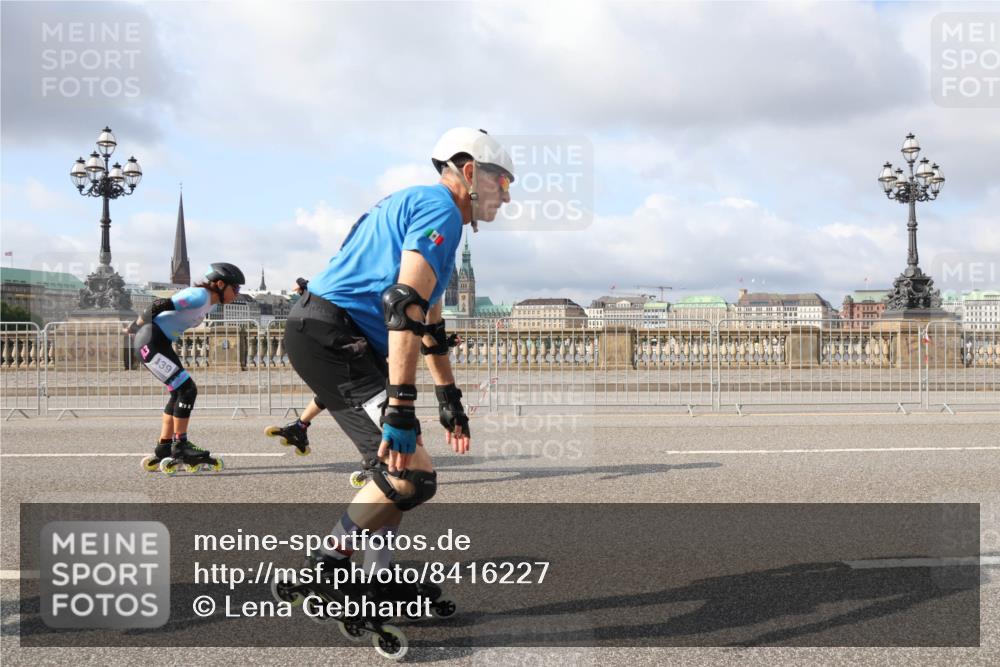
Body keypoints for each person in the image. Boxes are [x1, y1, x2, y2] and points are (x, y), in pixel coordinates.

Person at [282, 128, 513, 607]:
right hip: (333, 336)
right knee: (413, 477)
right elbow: (403, 304)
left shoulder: (424, 208)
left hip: (332, 333)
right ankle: (326, 567)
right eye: (503, 182)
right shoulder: (442, 210)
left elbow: (430, 325)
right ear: (469, 173)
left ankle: (378, 578)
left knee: (395, 469)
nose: (507, 196)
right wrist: (402, 407)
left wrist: (450, 400)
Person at [126, 262, 246, 474]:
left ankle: (164, 447)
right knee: (188, 390)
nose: (237, 294)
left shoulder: (211, 302)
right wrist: (136, 326)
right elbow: (159, 304)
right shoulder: (199, 296)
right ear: (220, 284)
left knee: (178, 393)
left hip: (159, 343)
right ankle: (180, 445)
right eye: (235, 288)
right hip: (151, 341)